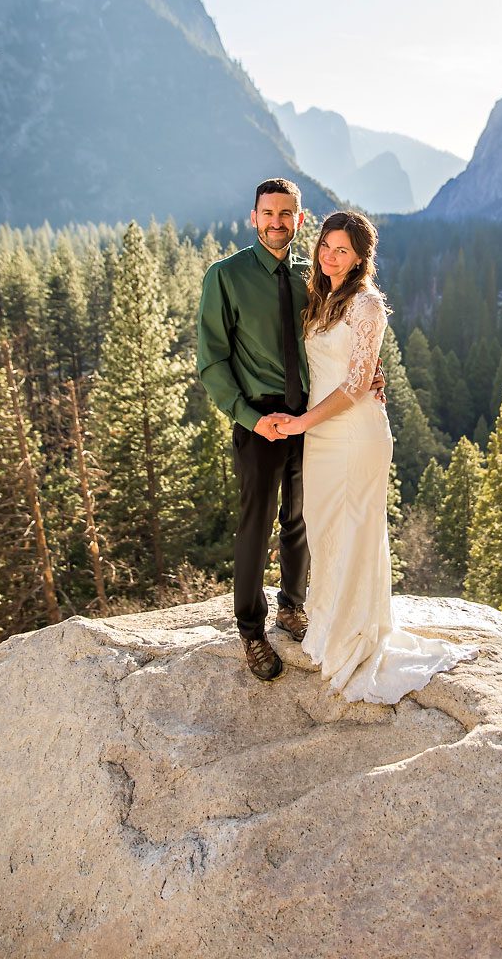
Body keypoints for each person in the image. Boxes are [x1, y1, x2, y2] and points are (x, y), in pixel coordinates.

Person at [272, 211, 477, 704]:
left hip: (356, 432)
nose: (329, 255)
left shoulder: (366, 305)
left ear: (361, 257)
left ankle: (355, 638)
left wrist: (299, 423)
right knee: (324, 528)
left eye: (342, 250)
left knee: (356, 529)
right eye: (326, 245)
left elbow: (358, 383)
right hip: (322, 435)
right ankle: (328, 625)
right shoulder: (319, 296)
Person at [197, 179, 383, 683]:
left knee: (302, 515)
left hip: (313, 417)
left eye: (287, 214)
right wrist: (249, 417)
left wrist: (370, 375)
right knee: (256, 525)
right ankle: (251, 629)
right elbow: (211, 361)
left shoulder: (313, 277)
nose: (277, 222)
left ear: (300, 221)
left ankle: (292, 606)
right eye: (268, 213)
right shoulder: (226, 276)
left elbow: (340, 336)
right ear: (253, 218)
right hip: (259, 418)